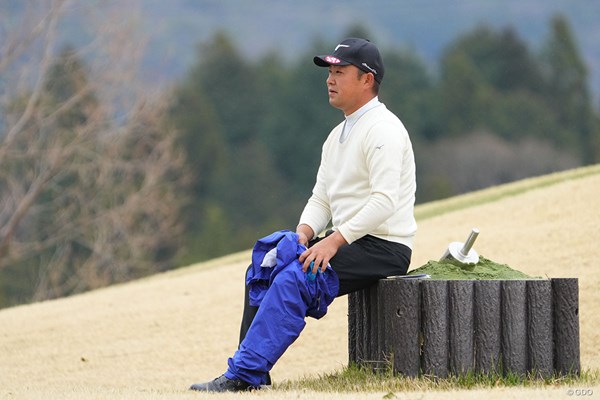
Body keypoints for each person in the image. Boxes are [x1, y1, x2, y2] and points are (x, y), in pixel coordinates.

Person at [189, 37, 417, 392]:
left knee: (295, 279)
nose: (330, 79)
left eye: (340, 72)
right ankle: (252, 371)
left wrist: (333, 243)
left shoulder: (384, 130)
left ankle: (242, 376)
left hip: (383, 247)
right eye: (329, 72)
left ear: (367, 79)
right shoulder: (336, 135)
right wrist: (303, 235)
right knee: (268, 263)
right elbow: (322, 198)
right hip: (348, 242)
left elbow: (384, 202)